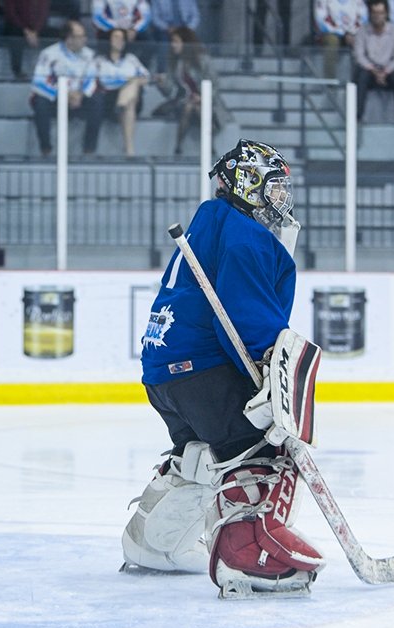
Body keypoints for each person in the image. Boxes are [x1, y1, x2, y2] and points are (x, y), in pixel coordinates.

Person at [123, 139, 324, 598]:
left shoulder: (209, 223)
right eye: (273, 187)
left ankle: (154, 544)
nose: (281, 199)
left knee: (198, 454)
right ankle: (247, 558)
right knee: (257, 453)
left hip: (163, 371)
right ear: (248, 184)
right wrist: (269, 365)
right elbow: (244, 314)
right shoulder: (245, 235)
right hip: (205, 369)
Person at [29, 20, 102, 156]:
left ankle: (89, 149)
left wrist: (80, 94)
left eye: (84, 36)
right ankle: (46, 148)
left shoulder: (90, 55)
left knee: (97, 101)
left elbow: (91, 79)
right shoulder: (49, 54)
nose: (84, 39)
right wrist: (65, 94)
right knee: (40, 103)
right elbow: (39, 82)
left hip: (79, 99)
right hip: (55, 98)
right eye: (80, 36)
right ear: (69, 39)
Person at [152, 26, 218, 155]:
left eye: (176, 41)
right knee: (189, 106)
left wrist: (202, 97)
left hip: (206, 102)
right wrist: (162, 82)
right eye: (172, 42)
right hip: (182, 101)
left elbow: (214, 84)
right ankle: (206, 146)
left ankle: (180, 146)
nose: (173, 45)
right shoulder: (174, 62)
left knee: (197, 107)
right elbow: (169, 91)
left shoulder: (203, 60)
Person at [95, 27, 151, 156]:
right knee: (131, 92)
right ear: (109, 40)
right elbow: (102, 81)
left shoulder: (131, 59)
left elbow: (145, 78)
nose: (119, 41)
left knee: (134, 84)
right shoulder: (99, 60)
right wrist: (127, 80)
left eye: (122, 38)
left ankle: (121, 104)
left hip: (132, 99)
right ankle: (129, 149)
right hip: (108, 98)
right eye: (116, 37)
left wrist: (132, 81)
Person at [353, 0, 394, 123]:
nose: (377, 16)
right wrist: (372, 69)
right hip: (369, 69)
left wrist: (386, 71)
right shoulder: (362, 31)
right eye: (374, 13)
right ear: (370, 14)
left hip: (388, 69)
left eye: (380, 13)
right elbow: (359, 55)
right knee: (361, 77)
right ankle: (357, 117)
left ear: (386, 14)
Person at [313, 0, 367, 80]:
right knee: (332, 41)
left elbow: (364, 19)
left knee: (362, 39)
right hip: (331, 33)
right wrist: (344, 33)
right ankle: (330, 84)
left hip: (353, 34)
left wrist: (352, 33)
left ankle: (360, 82)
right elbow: (321, 22)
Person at [91, 0, 154, 65]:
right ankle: (105, 67)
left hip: (131, 29)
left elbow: (146, 16)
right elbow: (97, 17)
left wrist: (135, 29)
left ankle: (139, 68)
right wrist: (118, 28)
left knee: (150, 43)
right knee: (112, 35)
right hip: (110, 29)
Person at [149, 0, 201, 74]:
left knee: (191, 40)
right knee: (163, 44)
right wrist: (167, 28)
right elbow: (155, 18)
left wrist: (188, 29)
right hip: (166, 30)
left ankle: (193, 71)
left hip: (185, 30)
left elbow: (195, 16)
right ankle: (162, 72)